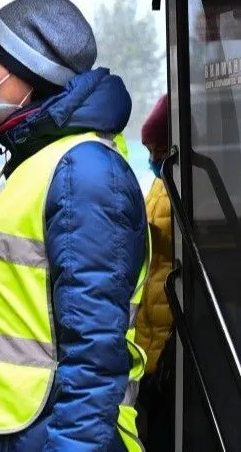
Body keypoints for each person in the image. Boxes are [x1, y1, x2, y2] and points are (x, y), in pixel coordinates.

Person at [0, 0, 151, 451]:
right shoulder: (29, 162)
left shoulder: (84, 172)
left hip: (39, 432)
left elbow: (94, 351)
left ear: (34, 71)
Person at [134, 94, 175, 451]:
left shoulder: (178, 190)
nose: (152, 159)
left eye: (159, 149)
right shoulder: (162, 187)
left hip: (165, 334)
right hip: (153, 334)